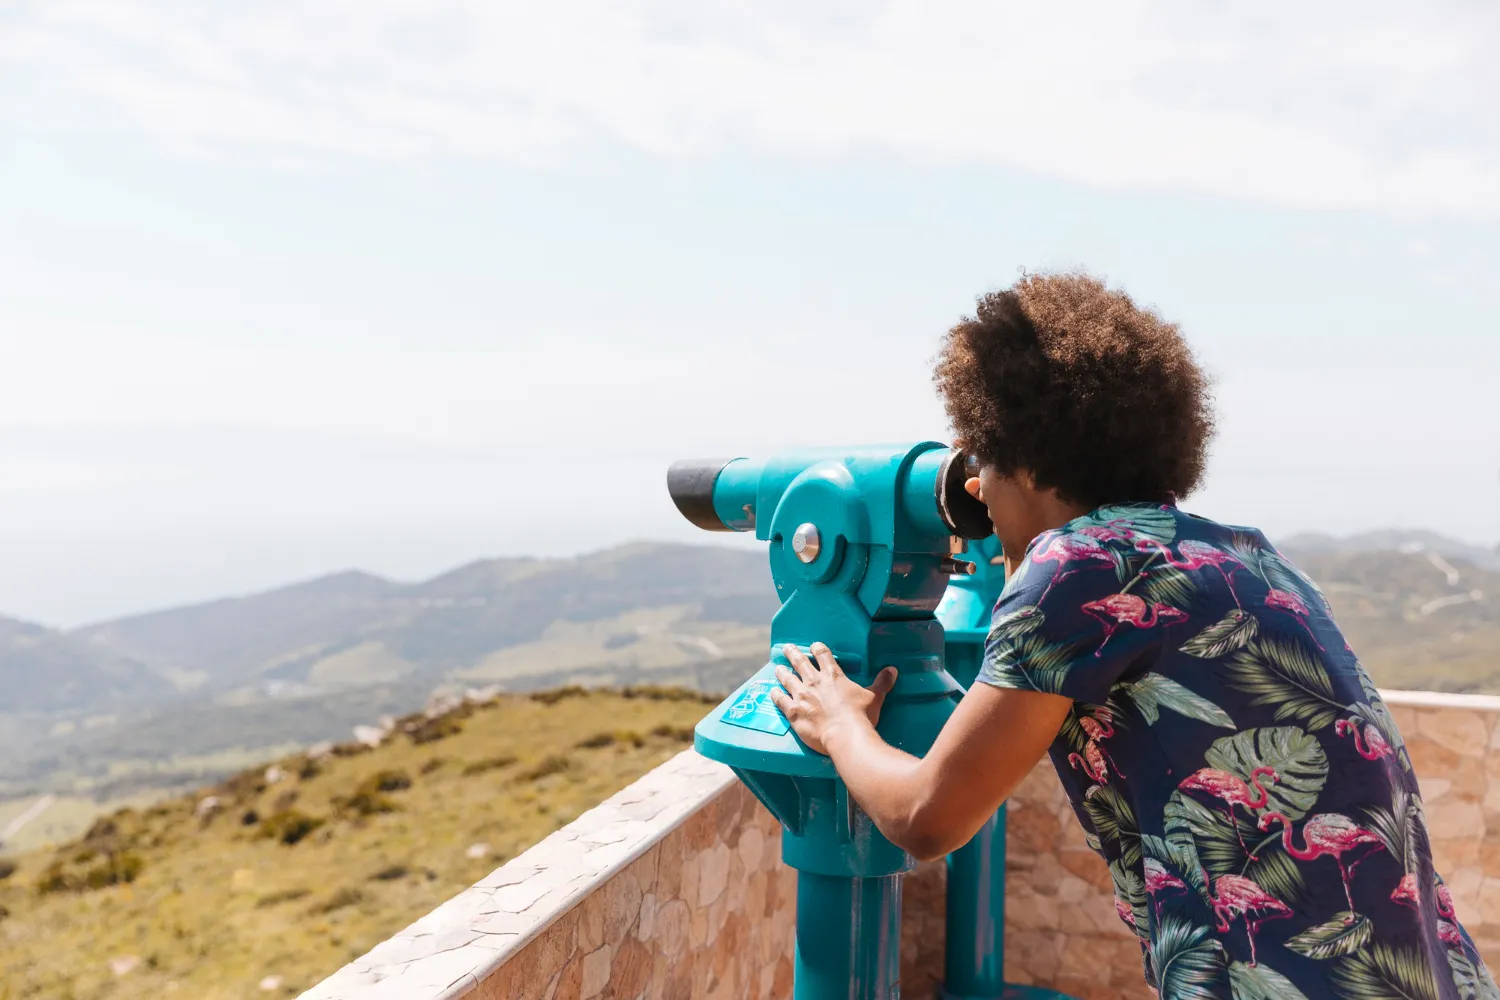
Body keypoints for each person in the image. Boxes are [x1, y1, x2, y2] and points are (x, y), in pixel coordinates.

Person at [767, 271, 1496, 999]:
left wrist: (839, 725)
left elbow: (927, 820)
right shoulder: (1249, 555)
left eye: (983, 461)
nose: (977, 491)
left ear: (1025, 455)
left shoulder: (1076, 568)